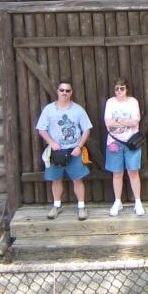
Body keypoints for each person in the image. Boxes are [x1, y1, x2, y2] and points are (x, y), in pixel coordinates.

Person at [36, 81, 92, 220]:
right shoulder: (49, 109)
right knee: (56, 179)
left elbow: (87, 129)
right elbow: (41, 129)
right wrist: (51, 143)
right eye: (62, 90)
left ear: (71, 92)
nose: (64, 93)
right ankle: (57, 206)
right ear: (57, 91)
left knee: (77, 179)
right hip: (56, 152)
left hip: (74, 151)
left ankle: (81, 207)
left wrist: (79, 146)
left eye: (67, 90)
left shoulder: (78, 110)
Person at [104, 77, 144, 217]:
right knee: (117, 173)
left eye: (122, 88)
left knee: (133, 172)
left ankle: (138, 202)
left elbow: (135, 122)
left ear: (127, 89)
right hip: (114, 142)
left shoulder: (133, 102)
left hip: (131, 142)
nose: (119, 91)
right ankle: (117, 201)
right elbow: (108, 122)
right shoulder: (110, 102)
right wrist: (124, 121)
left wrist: (117, 120)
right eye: (117, 88)